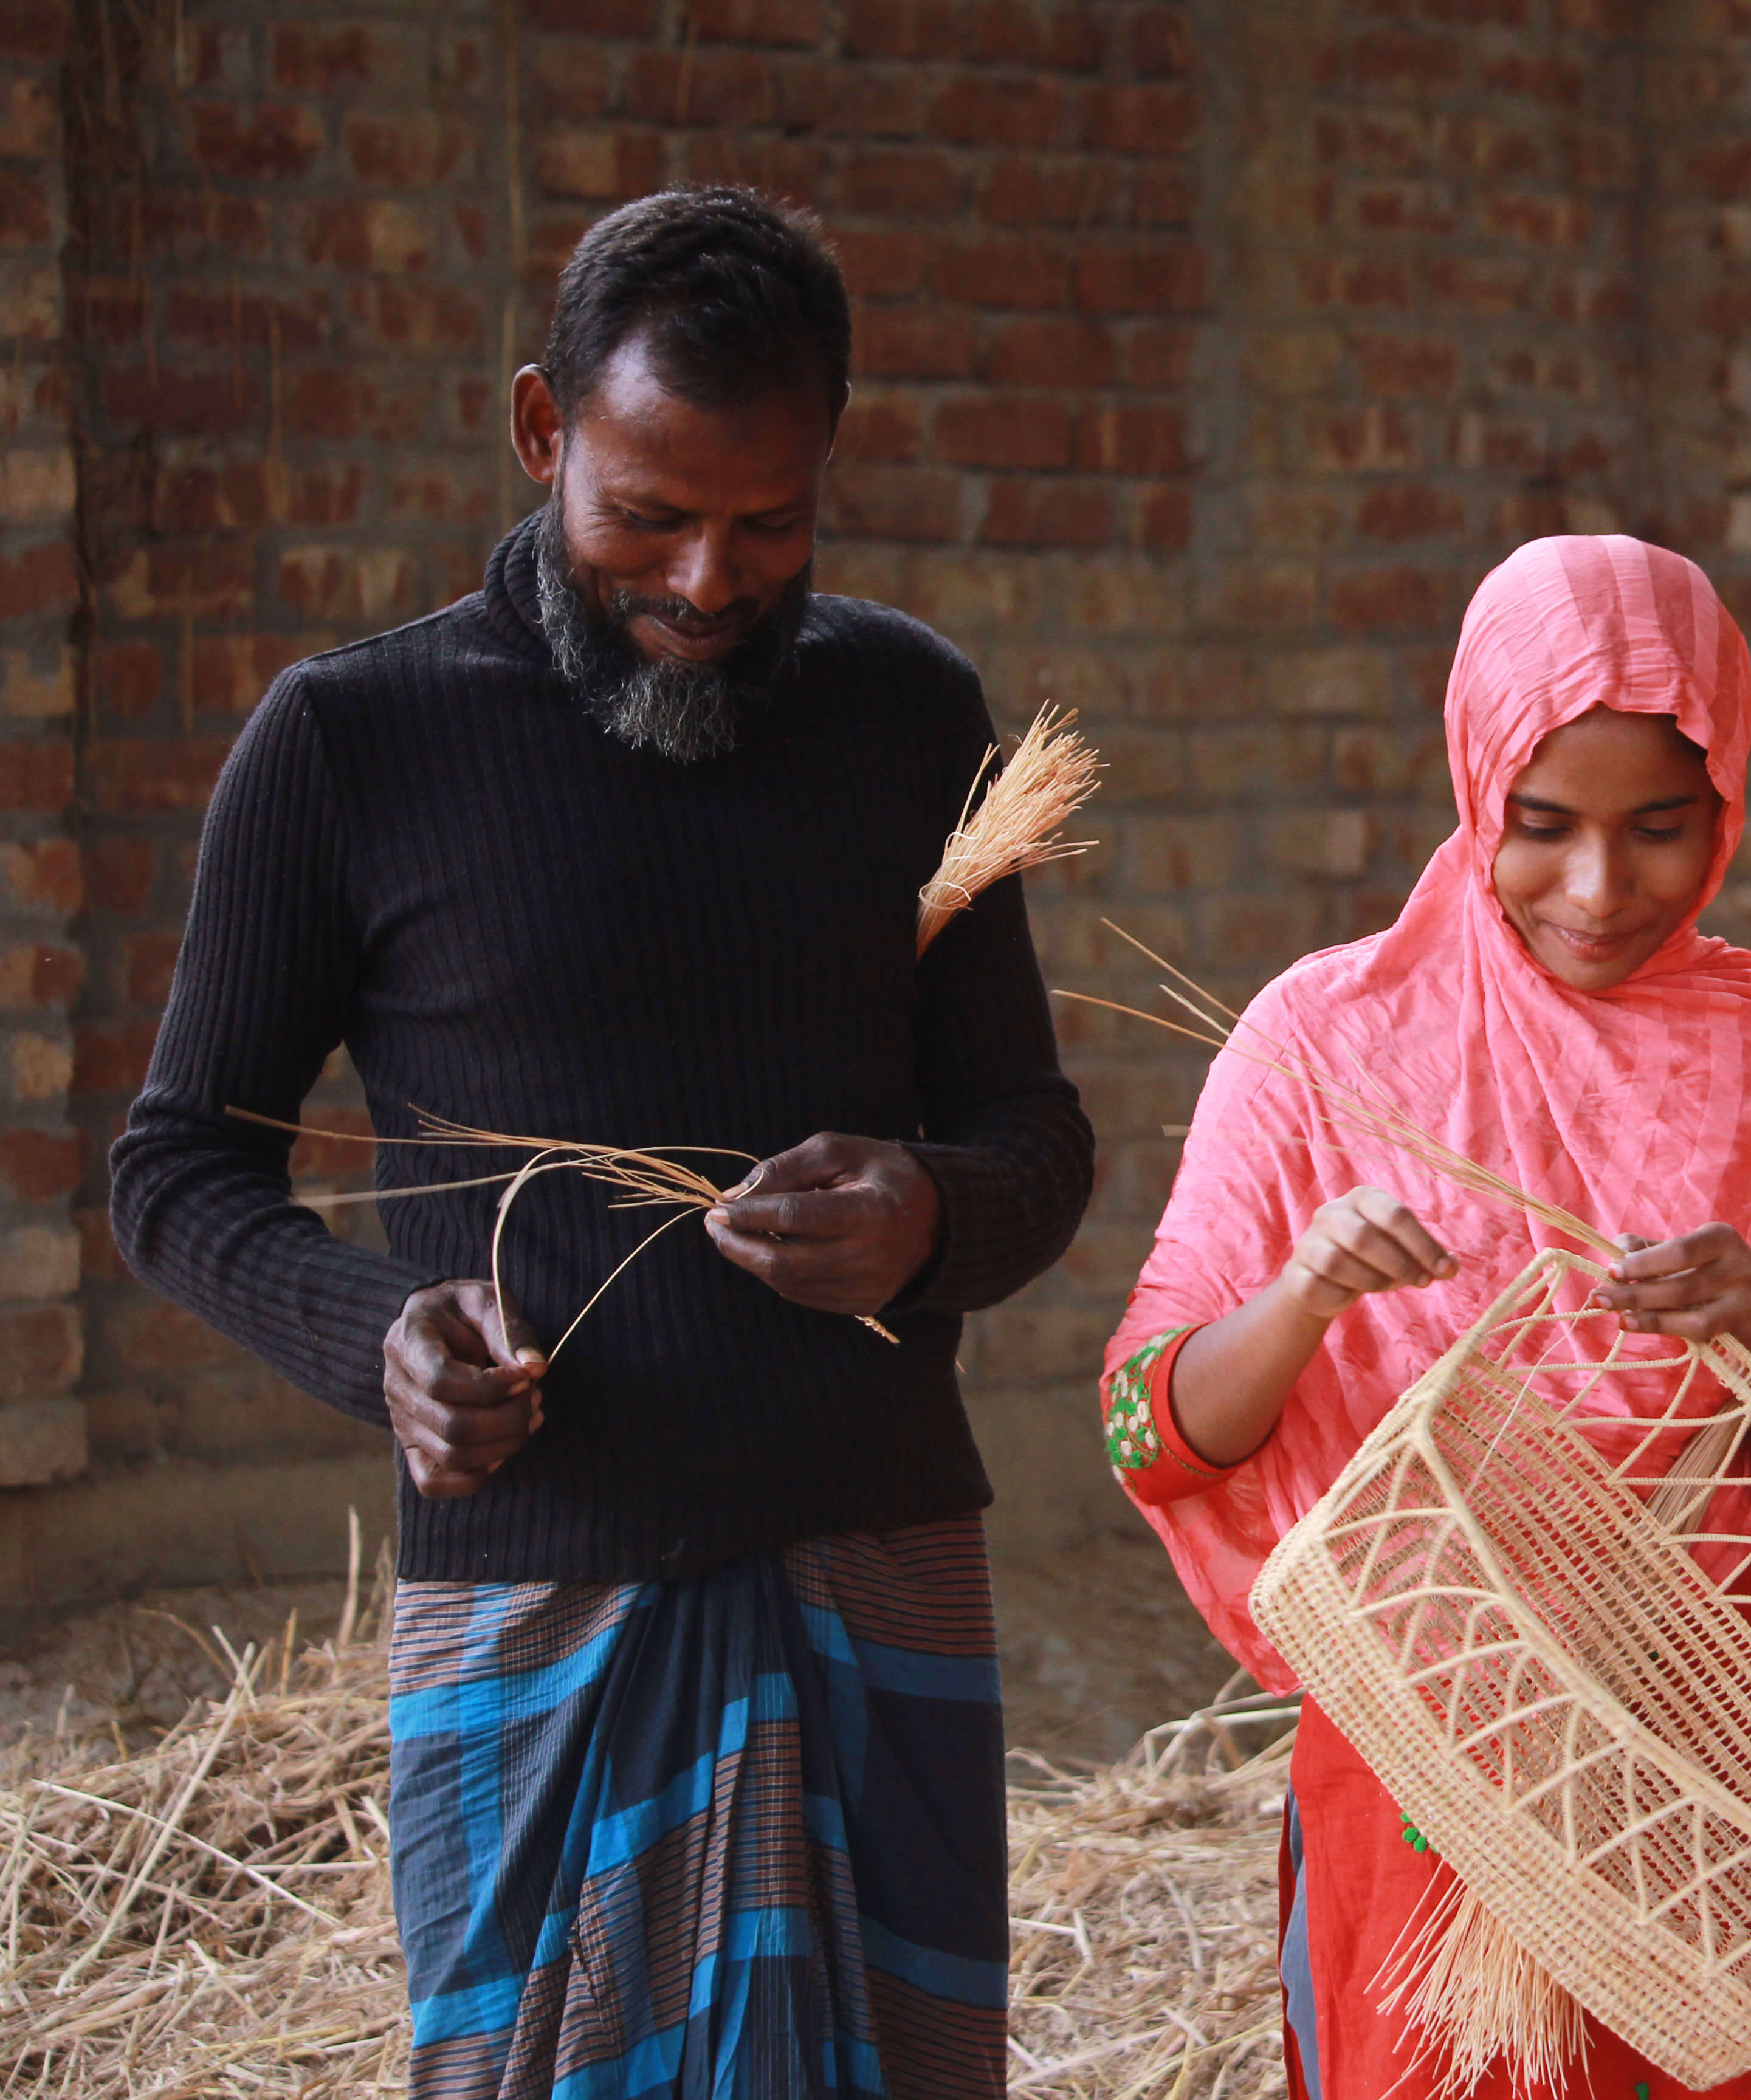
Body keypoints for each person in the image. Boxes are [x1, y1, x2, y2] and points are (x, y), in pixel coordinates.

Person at [109, 187, 1092, 2098]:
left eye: (771, 520)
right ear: (542, 428)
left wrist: (929, 1215)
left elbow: (1033, 1140)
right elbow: (174, 1169)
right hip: (539, 1597)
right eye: (649, 514)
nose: (712, 580)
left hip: (876, 1566)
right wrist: (377, 1338)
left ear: (828, 463)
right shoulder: (352, 741)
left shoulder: (912, 717)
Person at [1102, 535, 1751, 2100]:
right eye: (1543, 827)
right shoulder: (1328, 1042)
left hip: (1746, 1787)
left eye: (1660, 829)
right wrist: (1307, 1294)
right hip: (1448, 1787)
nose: (1599, 888)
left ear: (1728, 805)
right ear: (1474, 786)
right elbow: (1146, 1427)